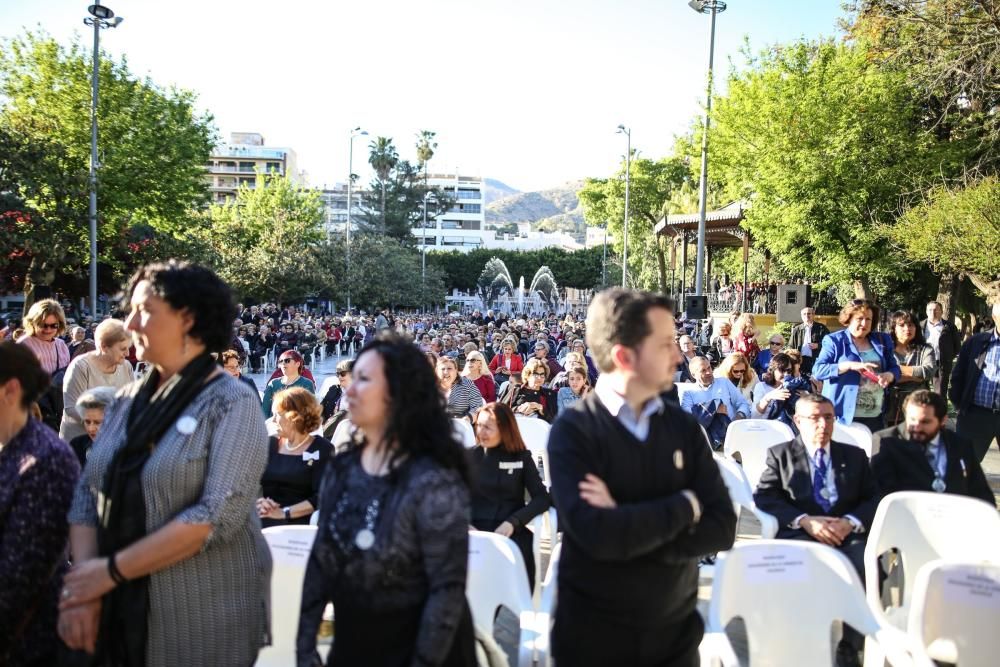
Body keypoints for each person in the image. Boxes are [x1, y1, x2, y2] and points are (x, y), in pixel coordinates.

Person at [60, 260, 271, 666]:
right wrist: (87, 586)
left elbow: (216, 515)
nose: (130, 323)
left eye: (144, 311)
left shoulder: (234, 401)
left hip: (200, 623)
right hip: (116, 610)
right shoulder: (124, 401)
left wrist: (110, 572)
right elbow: (88, 494)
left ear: (188, 319)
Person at [547, 288, 736, 667]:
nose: (680, 355)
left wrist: (627, 528)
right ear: (624, 355)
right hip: (593, 643)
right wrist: (685, 506)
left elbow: (723, 527)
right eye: (666, 344)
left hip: (676, 642)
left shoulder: (682, 428)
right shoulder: (574, 431)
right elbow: (597, 535)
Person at [297, 335, 475, 667]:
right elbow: (322, 558)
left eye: (364, 379)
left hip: (424, 646)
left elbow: (446, 589)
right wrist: (304, 647)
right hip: (357, 636)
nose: (349, 389)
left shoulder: (434, 476)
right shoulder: (343, 467)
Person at [753, 394, 879, 666]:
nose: (823, 424)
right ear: (798, 421)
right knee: (797, 572)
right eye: (814, 418)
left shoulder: (855, 456)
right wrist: (805, 520)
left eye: (829, 417)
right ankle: (799, 639)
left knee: (867, 566)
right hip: (802, 534)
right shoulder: (780, 454)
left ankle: (850, 645)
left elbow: (873, 497)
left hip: (846, 533)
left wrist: (850, 522)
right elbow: (764, 495)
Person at [0, 342, 81, 667]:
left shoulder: (46, 458)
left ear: (11, 389)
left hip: (28, 642)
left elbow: (19, 574)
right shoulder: (14, 450)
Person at [470, 402, 550, 588]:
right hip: (473, 528)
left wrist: (514, 522)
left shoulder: (521, 458)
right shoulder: (468, 457)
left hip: (509, 529)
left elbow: (541, 498)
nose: (481, 432)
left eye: (488, 427)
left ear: (505, 429)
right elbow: (452, 499)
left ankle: (524, 610)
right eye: (479, 426)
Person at [872, 390, 994, 504]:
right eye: (912, 419)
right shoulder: (887, 443)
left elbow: (981, 492)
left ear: (943, 421)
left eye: (925, 422)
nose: (916, 427)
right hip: (905, 518)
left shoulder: (960, 445)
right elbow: (879, 494)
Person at [812, 299, 900, 431]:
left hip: (875, 416)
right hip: (841, 416)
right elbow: (818, 370)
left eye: (868, 319)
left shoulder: (882, 339)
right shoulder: (834, 340)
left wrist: (889, 375)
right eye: (860, 318)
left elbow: (895, 368)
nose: (864, 323)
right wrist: (848, 365)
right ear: (849, 319)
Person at [257, 387, 333, 528]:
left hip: (300, 524)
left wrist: (283, 512)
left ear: (294, 416)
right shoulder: (270, 444)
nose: (272, 420)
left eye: (277, 414)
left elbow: (322, 496)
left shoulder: (322, 448)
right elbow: (251, 483)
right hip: (265, 518)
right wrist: (260, 502)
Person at [60, 318, 134, 442]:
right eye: (122, 349)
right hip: (79, 442)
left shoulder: (126, 366)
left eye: (128, 348)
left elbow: (130, 402)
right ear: (104, 347)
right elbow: (71, 408)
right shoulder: (80, 366)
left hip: (110, 440)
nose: (127, 353)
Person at [950, 301, 1000, 461]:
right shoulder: (976, 342)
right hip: (975, 415)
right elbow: (958, 374)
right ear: (995, 317)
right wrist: (960, 404)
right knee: (963, 467)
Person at [17, 299, 72, 430]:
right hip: (32, 410)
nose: (48, 330)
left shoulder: (61, 345)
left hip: (57, 408)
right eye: (43, 325)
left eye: (54, 325)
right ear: (33, 323)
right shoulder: (23, 345)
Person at [681, 355, 751, 448]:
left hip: (732, 435)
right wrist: (712, 411)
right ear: (693, 374)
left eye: (709, 367)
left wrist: (735, 420)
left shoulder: (724, 382)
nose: (709, 372)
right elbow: (688, 422)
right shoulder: (689, 394)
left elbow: (743, 404)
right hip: (705, 443)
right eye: (703, 370)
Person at [885, 311, 936, 427]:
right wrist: (915, 377)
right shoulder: (885, 350)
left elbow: (928, 371)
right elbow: (881, 374)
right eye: (902, 325)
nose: (907, 328)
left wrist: (894, 370)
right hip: (889, 406)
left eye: (911, 325)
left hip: (918, 405)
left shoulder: (926, 349)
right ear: (893, 328)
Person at [752, 352, 811, 428]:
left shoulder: (796, 386)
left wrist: (807, 399)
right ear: (772, 370)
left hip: (790, 430)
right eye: (782, 370)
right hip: (766, 428)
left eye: (789, 371)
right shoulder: (761, 386)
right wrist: (768, 398)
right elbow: (754, 416)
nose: (786, 374)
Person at [921, 301, 962, 401]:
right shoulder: (920, 326)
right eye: (930, 310)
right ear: (926, 312)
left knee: (940, 393)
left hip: (941, 363)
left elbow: (957, 346)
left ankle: (940, 414)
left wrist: (948, 357)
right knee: (922, 392)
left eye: (936, 309)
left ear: (941, 311)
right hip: (923, 363)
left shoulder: (949, 327)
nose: (933, 312)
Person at [68, 386, 117, 467]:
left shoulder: (126, 449)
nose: (91, 428)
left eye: (97, 422)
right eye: (87, 422)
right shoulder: (77, 446)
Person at [500, 357, 558, 422]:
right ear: (528, 375)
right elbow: (500, 411)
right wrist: (519, 409)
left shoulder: (549, 394)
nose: (539, 378)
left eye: (542, 375)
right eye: (536, 374)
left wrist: (540, 408)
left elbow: (554, 420)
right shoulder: (516, 389)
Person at [262, 349, 315, 418]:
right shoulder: (273, 383)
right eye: (281, 361)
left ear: (297, 364)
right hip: (274, 426)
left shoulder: (307, 384)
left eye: (287, 361)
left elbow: (310, 412)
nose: (283, 363)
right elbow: (264, 411)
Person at [436, 355, 485, 422]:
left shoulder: (467, 384)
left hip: (461, 424)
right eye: (443, 369)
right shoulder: (431, 387)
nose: (446, 372)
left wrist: (469, 418)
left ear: (456, 371)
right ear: (437, 371)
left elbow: (477, 406)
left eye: (449, 368)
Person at [789, 306, 830, 374]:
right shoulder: (797, 329)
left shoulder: (821, 328)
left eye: (809, 313)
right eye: (804, 314)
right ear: (801, 316)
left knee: (814, 381)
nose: (806, 315)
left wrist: (818, 345)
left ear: (813, 315)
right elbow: (791, 346)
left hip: (815, 361)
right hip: (800, 361)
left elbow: (829, 344)